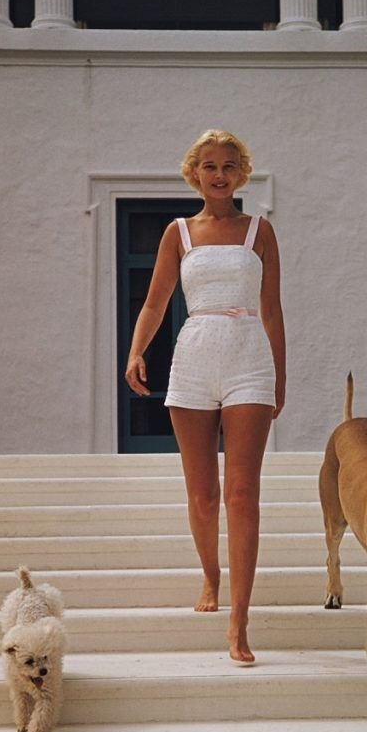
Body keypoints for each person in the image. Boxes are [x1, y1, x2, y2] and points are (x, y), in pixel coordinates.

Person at [125, 130, 286, 665]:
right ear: (194, 173)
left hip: (249, 362)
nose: (220, 174)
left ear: (242, 173)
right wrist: (136, 351)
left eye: (229, 165)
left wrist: (279, 377)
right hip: (193, 360)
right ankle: (211, 576)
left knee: (241, 494)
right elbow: (155, 302)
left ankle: (239, 621)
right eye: (210, 166)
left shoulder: (260, 231)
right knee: (203, 496)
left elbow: (272, 310)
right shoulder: (178, 233)